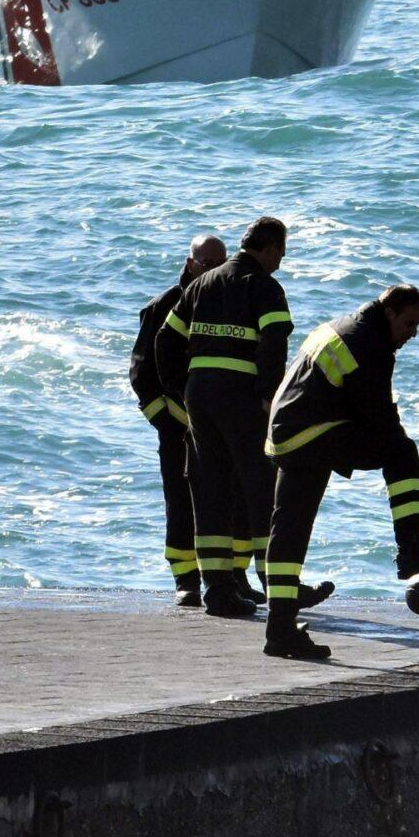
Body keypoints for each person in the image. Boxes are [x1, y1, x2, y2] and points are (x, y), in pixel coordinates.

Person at [258, 285, 419, 660]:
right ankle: (412, 550)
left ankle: (279, 630)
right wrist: (393, 439)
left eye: (418, 325)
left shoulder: (342, 326)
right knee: (402, 452)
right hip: (311, 433)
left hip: (285, 433)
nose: (413, 333)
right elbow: (377, 416)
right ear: (389, 312)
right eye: (409, 323)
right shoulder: (370, 345)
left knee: (288, 532)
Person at [154, 215, 292, 619]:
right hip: (243, 399)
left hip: (200, 398)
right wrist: (270, 400)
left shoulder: (201, 285)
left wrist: (183, 388)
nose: (280, 262)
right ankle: (280, 588)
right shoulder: (264, 287)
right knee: (261, 489)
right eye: (280, 253)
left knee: (208, 492)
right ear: (266, 249)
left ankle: (218, 592)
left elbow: (166, 339)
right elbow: (274, 348)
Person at [131, 232, 226, 606]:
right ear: (189, 264)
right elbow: (141, 372)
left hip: (221, 426)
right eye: (206, 265)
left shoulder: (231, 303)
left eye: (221, 265)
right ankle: (185, 580)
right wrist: (166, 422)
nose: (213, 272)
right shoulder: (166, 305)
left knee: (228, 502)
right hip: (178, 427)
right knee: (181, 502)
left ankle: (229, 578)